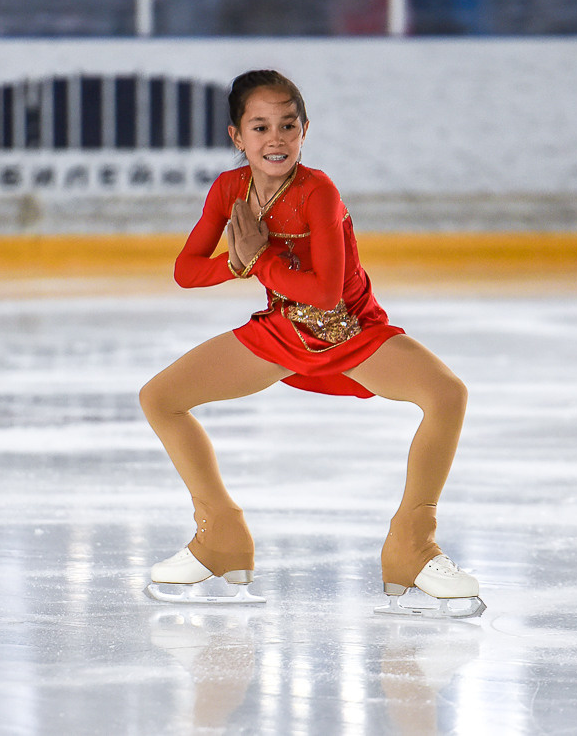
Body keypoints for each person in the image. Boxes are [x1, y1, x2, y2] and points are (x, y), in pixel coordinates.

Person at [139, 70, 484, 617]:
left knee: (447, 394)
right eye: (260, 127)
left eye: (288, 125)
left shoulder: (317, 190)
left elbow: (325, 291)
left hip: (350, 330)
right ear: (237, 137)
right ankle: (220, 537)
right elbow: (186, 271)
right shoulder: (229, 190)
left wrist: (259, 259)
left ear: (304, 132)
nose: (275, 138)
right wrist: (234, 262)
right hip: (281, 332)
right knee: (159, 398)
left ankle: (411, 548)